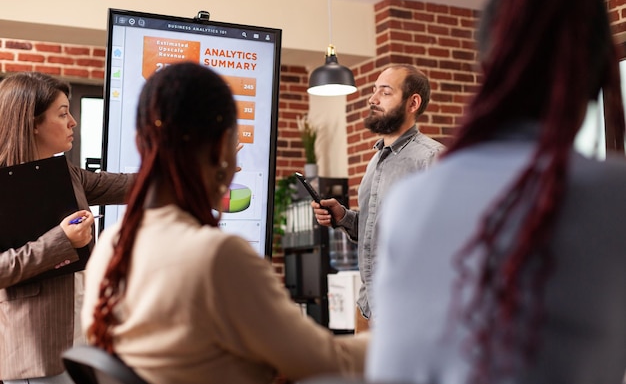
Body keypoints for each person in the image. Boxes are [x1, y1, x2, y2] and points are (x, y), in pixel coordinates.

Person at [366, 0, 626, 383]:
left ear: (488, 63)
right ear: (597, 72)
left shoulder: (416, 193)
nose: (373, 98)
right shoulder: (613, 197)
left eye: (384, 90)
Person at [81, 62, 367, 384]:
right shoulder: (217, 255)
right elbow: (326, 362)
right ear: (222, 148)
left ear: (139, 143)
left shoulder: (111, 243)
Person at [0, 72, 134, 384]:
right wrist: (62, 240)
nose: (73, 122)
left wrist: (193, 169)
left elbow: (131, 185)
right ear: (31, 123)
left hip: (78, 341)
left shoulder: (69, 174)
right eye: (62, 114)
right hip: (35, 355)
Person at [312, 64, 444, 330]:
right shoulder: (376, 160)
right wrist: (344, 217)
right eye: (374, 91)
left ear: (413, 102)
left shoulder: (432, 158)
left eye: (385, 92)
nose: (372, 99)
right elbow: (379, 230)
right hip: (368, 307)